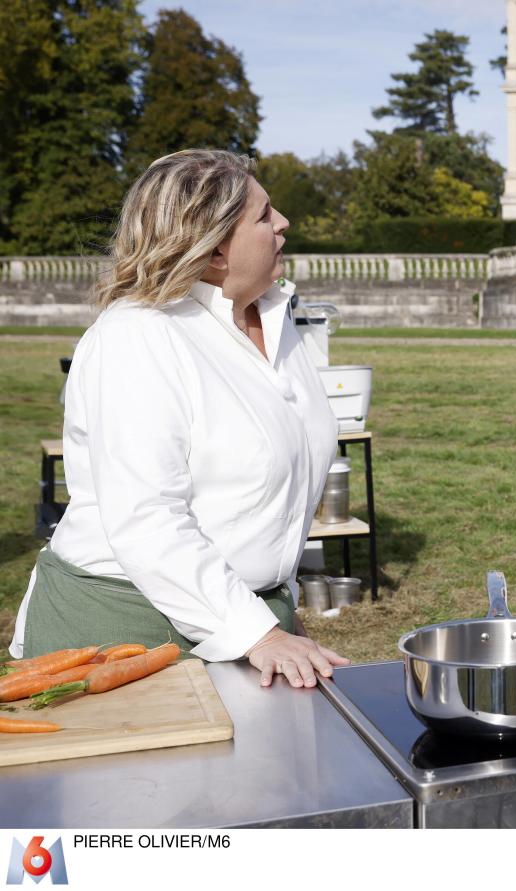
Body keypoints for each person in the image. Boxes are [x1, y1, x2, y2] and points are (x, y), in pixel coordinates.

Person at [9, 150, 350, 689]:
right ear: (214, 248)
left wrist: (274, 613)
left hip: (245, 622)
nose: (283, 222)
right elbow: (148, 519)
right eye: (264, 216)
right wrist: (258, 633)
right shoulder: (139, 336)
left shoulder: (275, 323)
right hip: (124, 634)